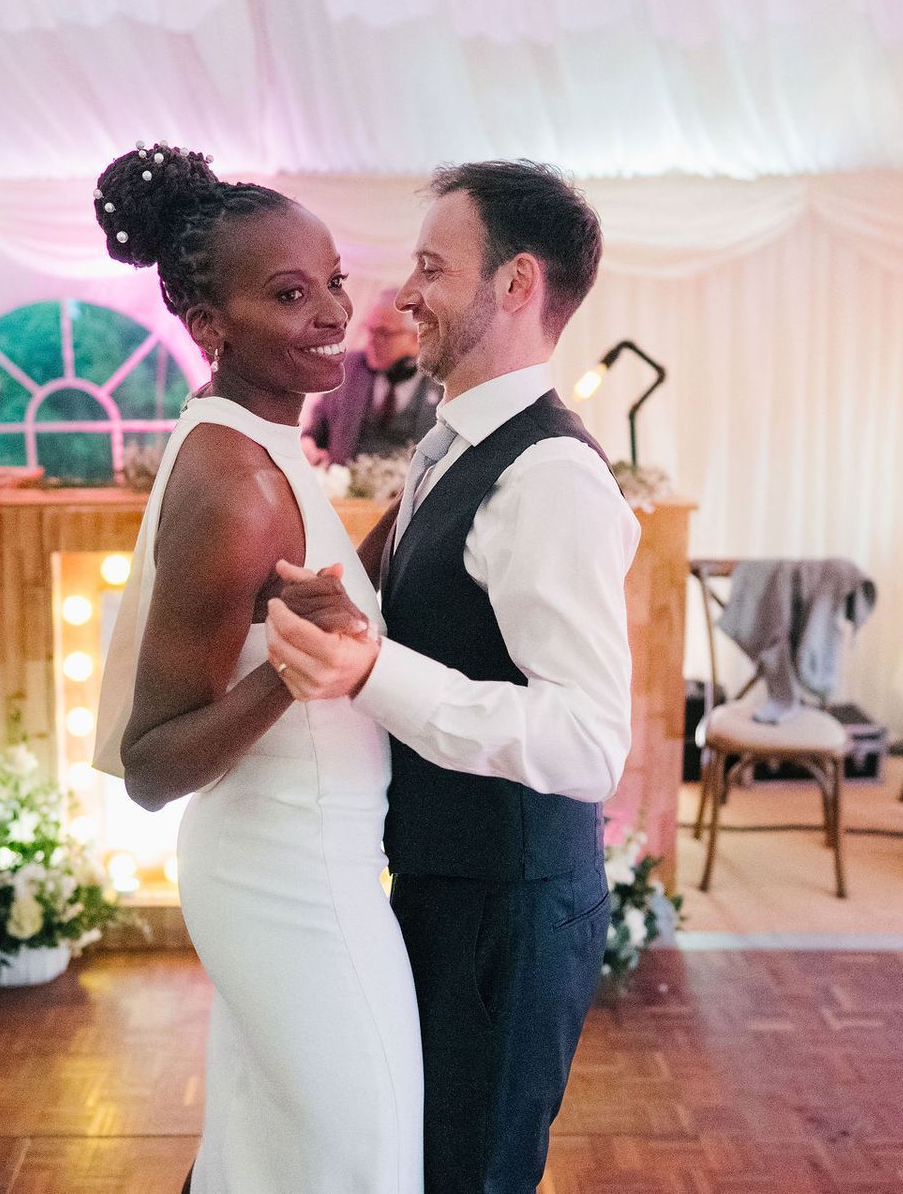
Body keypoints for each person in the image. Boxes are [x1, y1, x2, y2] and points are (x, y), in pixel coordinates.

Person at [265, 161, 639, 1194]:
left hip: (509, 913)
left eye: (432, 266)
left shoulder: (549, 476)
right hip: (444, 881)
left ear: (516, 285)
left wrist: (373, 670)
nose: (404, 294)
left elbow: (588, 740)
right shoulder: (448, 443)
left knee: (468, 1177)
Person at [88, 142, 421, 1193]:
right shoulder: (236, 481)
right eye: (290, 294)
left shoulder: (274, 443)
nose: (331, 312)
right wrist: (289, 672)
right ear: (207, 325)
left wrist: (425, 504)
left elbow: (318, 591)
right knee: (359, 1160)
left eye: (332, 282)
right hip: (288, 881)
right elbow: (149, 765)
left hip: (312, 860)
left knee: (280, 1162)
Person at [301, 287, 440, 466]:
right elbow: (311, 435)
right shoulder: (346, 368)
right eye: (370, 329)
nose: (371, 340)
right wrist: (309, 449)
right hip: (345, 489)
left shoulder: (442, 383)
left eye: (383, 333)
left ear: (416, 338)